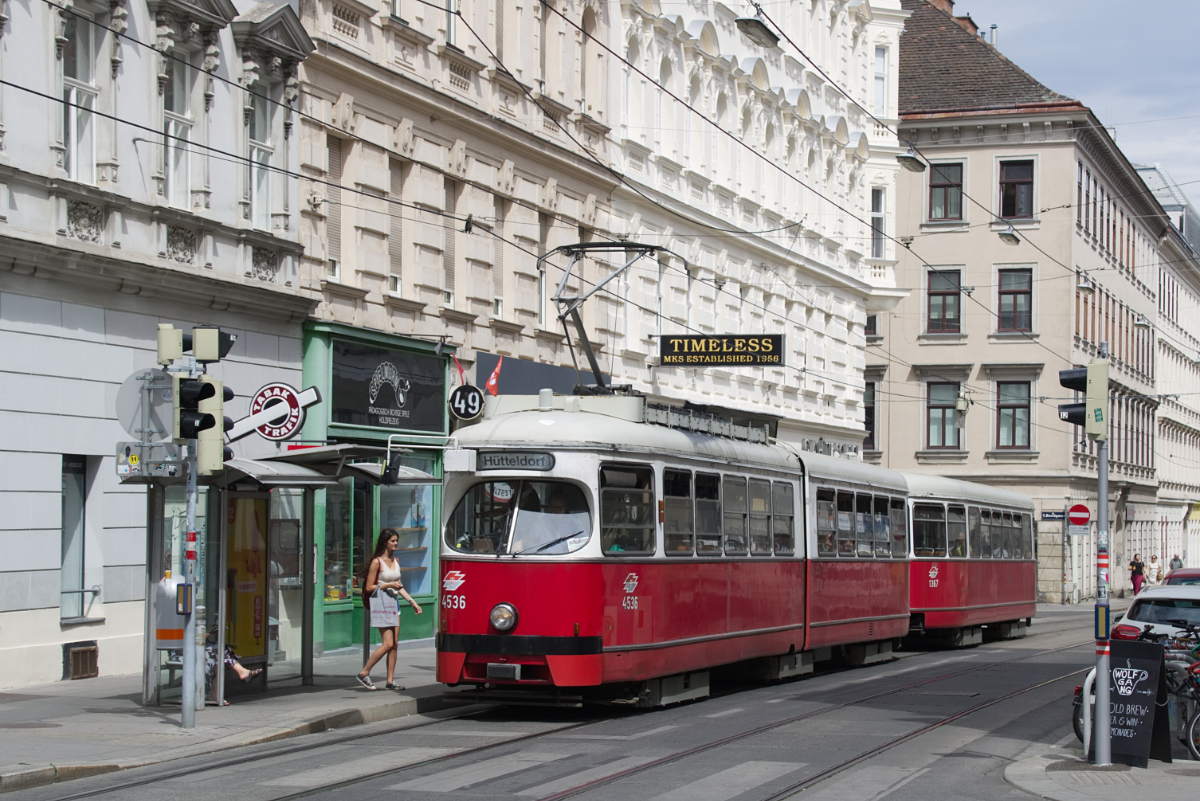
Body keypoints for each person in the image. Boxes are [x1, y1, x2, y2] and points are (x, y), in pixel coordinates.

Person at [356, 529, 422, 691]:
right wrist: (388, 585)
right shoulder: (377, 562)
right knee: (388, 643)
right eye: (393, 540)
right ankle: (364, 673)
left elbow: (399, 586)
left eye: (396, 540)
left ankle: (390, 681)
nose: (396, 543)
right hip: (381, 605)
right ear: (385, 542)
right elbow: (370, 587)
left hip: (394, 604)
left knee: (395, 645)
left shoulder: (396, 560)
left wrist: (412, 601)